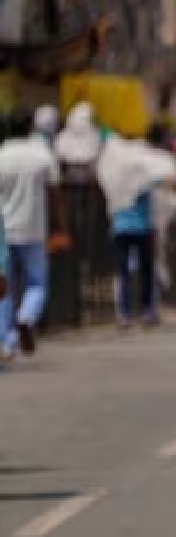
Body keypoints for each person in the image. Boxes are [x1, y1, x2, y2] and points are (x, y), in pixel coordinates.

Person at [96, 133, 176, 328]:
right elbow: (168, 181)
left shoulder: (116, 178)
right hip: (143, 229)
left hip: (120, 228)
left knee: (123, 272)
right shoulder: (144, 176)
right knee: (146, 272)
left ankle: (124, 314)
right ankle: (148, 311)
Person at [0, 110, 60, 362]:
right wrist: (59, 224)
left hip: (4, 230)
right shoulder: (41, 154)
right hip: (33, 228)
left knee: (5, 287)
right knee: (36, 283)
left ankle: (6, 342)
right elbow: (54, 191)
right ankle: (26, 317)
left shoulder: (1, 156)